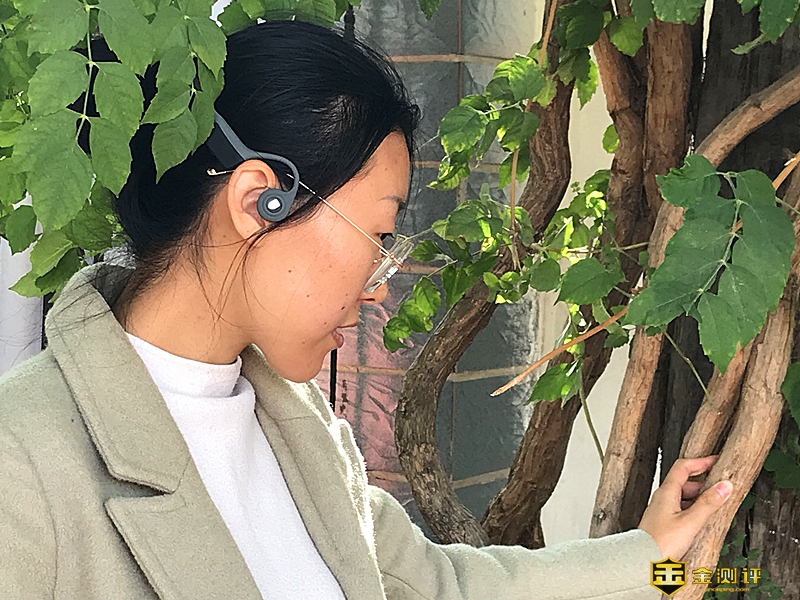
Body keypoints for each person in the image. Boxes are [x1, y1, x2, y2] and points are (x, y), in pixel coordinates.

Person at [0, 19, 733, 600]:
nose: (380, 284)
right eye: (379, 235)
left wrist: (652, 562)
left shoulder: (297, 424)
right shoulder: (23, 468)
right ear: (260, 201)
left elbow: (441, 588)